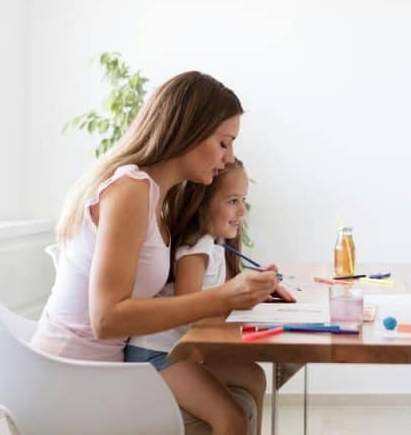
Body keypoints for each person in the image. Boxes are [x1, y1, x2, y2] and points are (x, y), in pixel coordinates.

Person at [31, 71, 279, 435]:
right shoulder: (131, 189)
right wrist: (221, 297)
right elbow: (107, 319)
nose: (229, 158)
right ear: (190, 131)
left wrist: (237, 296)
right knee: (231, 413)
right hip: (74, 379)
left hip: (99, 368)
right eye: (224, 142)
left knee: (249, 375)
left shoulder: (153, 196)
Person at [131, 159, 291, 434]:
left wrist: (254, 290)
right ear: (202, 204)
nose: (242, 210)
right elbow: (192, 313)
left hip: (179, 352)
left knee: (253, 375)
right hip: (157, 356)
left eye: (243, 200)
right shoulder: (195, 250)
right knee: (231, 418)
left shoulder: (214, 247)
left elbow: (219, 296)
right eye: (232, 201)